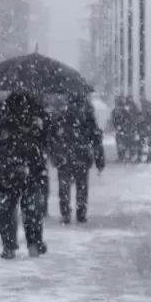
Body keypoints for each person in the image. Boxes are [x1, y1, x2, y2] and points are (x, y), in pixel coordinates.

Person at [0, 92, 49, 259]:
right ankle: (33, 243)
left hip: (7, 169)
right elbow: (45, 140)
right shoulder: (35, 112)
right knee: (31, 210)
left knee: (7, 209)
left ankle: (10, 245)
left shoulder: (0, 113)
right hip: (30, 168)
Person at [50, 96, 106, 224]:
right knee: (82, 187)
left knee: (64, 187)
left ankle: (65, 213)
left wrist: (54, 155)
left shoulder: (61, 116)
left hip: (64, 156)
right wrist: (100, 161)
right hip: (82, 156)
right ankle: (81, 213)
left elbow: (52, 137)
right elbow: (96, 141)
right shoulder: (88, 117)